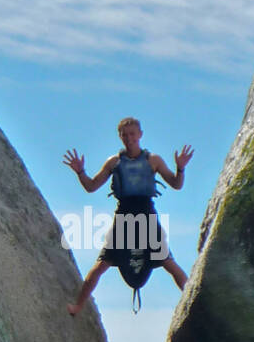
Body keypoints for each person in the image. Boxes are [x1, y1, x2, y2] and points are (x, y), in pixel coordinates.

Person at [63, 117, 194, 316]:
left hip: (147, 216)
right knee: (101, 266)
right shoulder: (113, 162)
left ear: (140, 135)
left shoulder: (154, 160)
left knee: (168, 263)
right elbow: (91, 186)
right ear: (120, 137)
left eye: (132, 134)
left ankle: (192, 302)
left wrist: (181, 168)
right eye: (125, 135)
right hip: (123, 216)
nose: (129, 138)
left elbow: (176, 184)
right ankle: (78, 305)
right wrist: (80, 171)